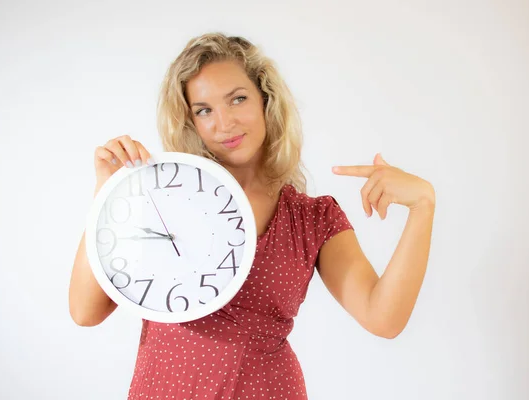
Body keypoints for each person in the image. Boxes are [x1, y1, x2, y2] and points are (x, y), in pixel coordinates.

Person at [69, 32, 436, 399]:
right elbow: (86, 312)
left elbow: (382, 318)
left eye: (238, 99)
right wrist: (108, 194)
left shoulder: (312, 218)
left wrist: (423, 206)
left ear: (266, 101)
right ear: (190, 121)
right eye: (204, 110)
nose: (224, 123)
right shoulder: (163, 196)